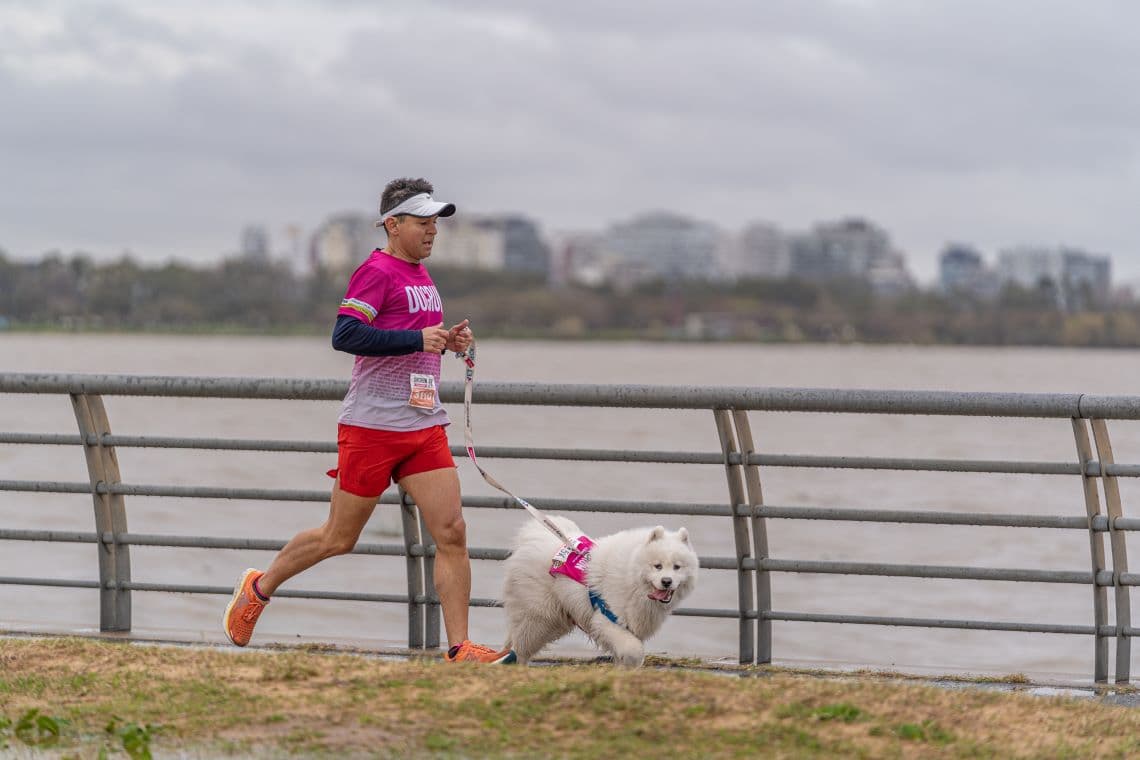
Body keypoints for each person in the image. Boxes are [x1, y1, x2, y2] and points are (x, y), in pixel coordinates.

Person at [223, 177, 516, 664]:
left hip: (423, 426)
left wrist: (449, 342)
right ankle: (260, 586)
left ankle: (461, 647)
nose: (432, 232)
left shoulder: (422, 276)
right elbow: (346, 335)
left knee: (453, 531)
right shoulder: (375, 272)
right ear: (392, 224)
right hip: (372, 428)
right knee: (339, 537)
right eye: (423, 223)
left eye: (436, 224)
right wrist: (417, 341)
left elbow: (415, 334)